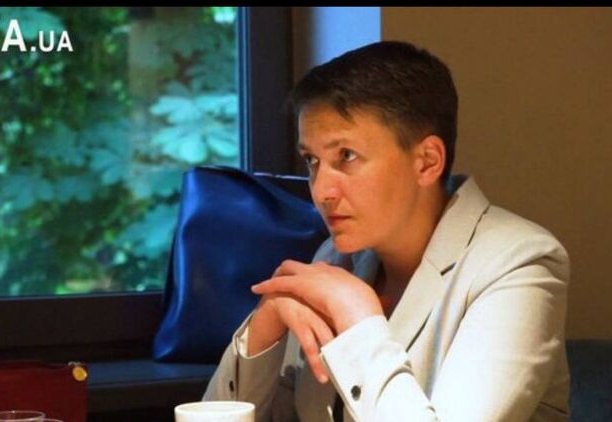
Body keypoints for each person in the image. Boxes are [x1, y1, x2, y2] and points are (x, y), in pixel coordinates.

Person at [202, 40, 570, 421]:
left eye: (346, 156)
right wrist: (264, 331)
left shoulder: (520, 263)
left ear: (427, 161)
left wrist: (359, 320)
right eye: (312, 160)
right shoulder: (336, 258)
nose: (321, 190)